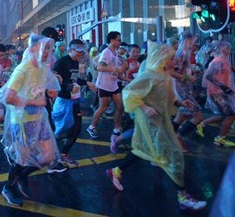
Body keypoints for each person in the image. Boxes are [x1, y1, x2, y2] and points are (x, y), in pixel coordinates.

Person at [105, 41, 207, 211]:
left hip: (161, 121)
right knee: (174, 156)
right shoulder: (150, 75)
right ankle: (182, 197)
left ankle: (116, 170)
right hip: (151, 123)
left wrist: (181, 102)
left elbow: (166, 97)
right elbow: (129, 92)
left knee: (143, 151)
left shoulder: (163, 74)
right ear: (160, 58)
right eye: (170, 58)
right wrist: (145, 107)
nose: (173, 62)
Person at [0, 33, 66, 207]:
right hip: (22, 121)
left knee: (48, 157)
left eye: (49, 48)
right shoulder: (23, 69)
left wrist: (48, 93)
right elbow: (8, 97)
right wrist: (34, 101)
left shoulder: (43, 68)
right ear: (34, 48)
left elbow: (35, 90)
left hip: (39, 119)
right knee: (22, 159)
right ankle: (8, 187)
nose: (47, 52)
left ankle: (21, 175)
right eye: (44, 47)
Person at [52, 39, 96, 168]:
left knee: (76, 129)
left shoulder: (76, 62)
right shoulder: (61, 62)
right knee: (61, 131)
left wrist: (86, 83)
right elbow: (55, 80)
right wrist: (69, 86)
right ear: (70, 50)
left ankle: (63, 155)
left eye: (82, 53)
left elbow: (75, 79)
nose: (80, 55)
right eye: (78, 52)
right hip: (63, 101)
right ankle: (46, 152)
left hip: (74, 100)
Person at [86, 31, 125, 139]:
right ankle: (91, 126)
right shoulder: (106, 52)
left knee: (120, 106)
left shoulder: (115, 52)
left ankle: (116, 128)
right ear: (112, 40)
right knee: (103, 107)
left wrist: (124, 77)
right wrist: (116, 69)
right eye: (118, 40)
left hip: (113, 84)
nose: (120, 42)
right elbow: (100, 67)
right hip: (104, 84)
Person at [170, 32, 203, 152]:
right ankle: (177, 137)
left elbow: (182, 71)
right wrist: (186, 78)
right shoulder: (180, 54)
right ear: (186, 41)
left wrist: (192, 74)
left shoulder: (186, 53)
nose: (195, 45)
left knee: (181, 116)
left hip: (185, 88)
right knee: (198, 116)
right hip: (181, 90)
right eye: (193, 42)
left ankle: (168, 138)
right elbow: (171, 72)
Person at [201, 41, 235, 147]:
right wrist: (224, 88)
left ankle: (203, 124)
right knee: (230, 115)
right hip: (217, 93)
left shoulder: (223, 60)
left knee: (225, 115)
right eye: (227, 48)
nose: (229, 50)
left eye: (229, 48)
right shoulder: (218, 61)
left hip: (220, 92)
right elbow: (209, 76)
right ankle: (220, 138)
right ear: (221, 49)